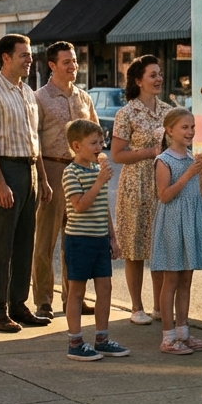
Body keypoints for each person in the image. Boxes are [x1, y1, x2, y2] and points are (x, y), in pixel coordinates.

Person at [0, 34, 54, 333]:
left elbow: (35, 141)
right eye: (23, 55)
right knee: (0, 246)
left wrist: (43, 180)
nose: (29, 60)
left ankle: (18, 306)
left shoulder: (28, 93)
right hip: (5, 172)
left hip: (30, 171)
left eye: (30, 55)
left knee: (24, 245)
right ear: (5, 57)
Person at [32, 41, 99, 318]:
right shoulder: (39, 98)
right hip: (52, 169)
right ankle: (43, 301)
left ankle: (74, 298)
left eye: (74, 61)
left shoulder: (84, 98)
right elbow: (34, 141)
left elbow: (96, 135)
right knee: (46, 240)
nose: (73, 66)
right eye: (67, 62)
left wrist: (95, 169)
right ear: (52, 65)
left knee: (75, 240)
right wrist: (43, 179)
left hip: (80, 171)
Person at [60, 119, 129, 362]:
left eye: (101, 141)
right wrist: (100, 182)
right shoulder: (71, 173)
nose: (100, 146)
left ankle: (102, 339)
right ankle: (75, 342)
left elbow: (102, 207)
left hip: (100, 239)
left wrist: (113, 237)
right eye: (94, 143)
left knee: (105, 288)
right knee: (77, 292)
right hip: (79, 240)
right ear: (77, 146)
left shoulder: (95, 170)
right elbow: (78, 206)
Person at [150, 108, 202, 355]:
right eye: (184, 127)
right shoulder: (164, 161)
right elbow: (164, 196)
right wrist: (188, 174)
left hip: (190, 224)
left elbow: (200, 195)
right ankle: (168, 337)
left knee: (187, 279)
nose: (190, 132)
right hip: (172, 225)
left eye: (192, 127)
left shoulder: (192, 159)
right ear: (169, 131)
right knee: (172, 280)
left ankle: (183, 333)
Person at [111, 54, 171, 325]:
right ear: (138, 80)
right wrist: (150, 151)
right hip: (136, 184)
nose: (158, 79)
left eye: (159, 74)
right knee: (134, 247)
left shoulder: (169, 111)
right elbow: (117, 154)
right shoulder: (127, 113)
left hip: (163, 183)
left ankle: (160, 306)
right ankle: (136, 307)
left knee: (160, 246)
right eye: (152, 75)